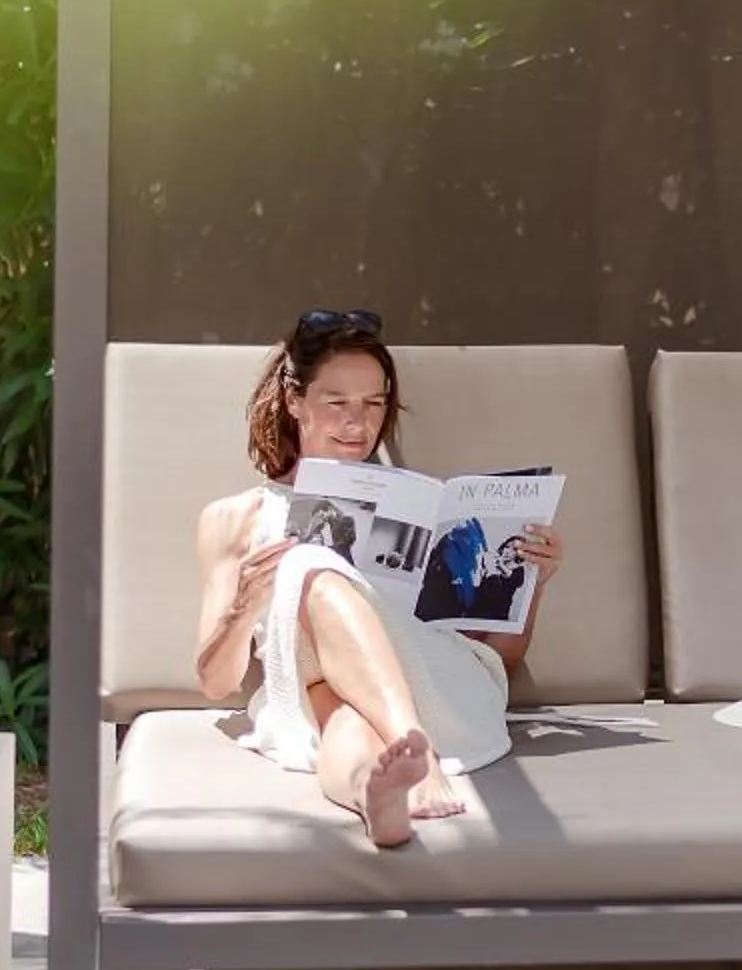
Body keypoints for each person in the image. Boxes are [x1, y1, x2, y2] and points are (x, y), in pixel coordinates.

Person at [192, 309, 566, 848]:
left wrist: (531, 582)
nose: (357, 423)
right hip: (313, 697)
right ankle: (378, 794)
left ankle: (406, 745)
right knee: (326, 669)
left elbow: (498, 658)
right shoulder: (234, 519)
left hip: (440, 694)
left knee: (310, 580)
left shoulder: (421, 509)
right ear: (294, 401)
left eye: (374, 403)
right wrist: (243, 607)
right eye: (337, 402)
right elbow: (215, 682)